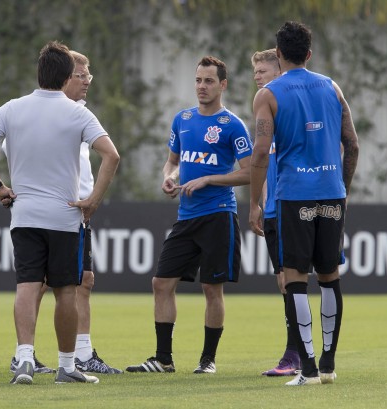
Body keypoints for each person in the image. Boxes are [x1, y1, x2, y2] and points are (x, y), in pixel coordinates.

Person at [0, 41, 120, 385]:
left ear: (38, 73)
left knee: (27, 284)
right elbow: (112, 155)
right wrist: (94, 199)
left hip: (24, 215)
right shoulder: (78, 112)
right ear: (67, 75)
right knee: (67, 290)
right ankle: (67, 366)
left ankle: (24, 358)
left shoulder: (12, 109)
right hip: (65, 217)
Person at [249, 21, 359, 386]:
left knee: (294, 278)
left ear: (278, 54)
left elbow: (261, 152)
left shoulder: (268, 94)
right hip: (332, 193)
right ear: (309, 53)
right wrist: (341, 188)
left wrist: (253, 202)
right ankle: (328, 365)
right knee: (330, 276)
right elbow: (352, 144)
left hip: (294, 196)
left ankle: (308, 369)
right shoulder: (332, 87)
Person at [126, 56, 252, 374]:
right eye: (198, 80)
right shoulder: (182, 119)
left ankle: (207, 360)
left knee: (212, 289)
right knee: (161, 282)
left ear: (223, 85)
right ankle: (163, 359)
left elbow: (250, 173)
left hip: (218, 215)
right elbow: (173, 161)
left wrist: (209, 179)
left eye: (209, 81)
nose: (201, 86)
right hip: (186, 216)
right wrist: (168, 176)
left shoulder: (232, 125)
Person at [8, 50, 122, 375]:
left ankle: (71, 353)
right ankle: (42, 355)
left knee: (80, 281)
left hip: (77, 213)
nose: (87, 81)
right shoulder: (53, 115)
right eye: (81, 75)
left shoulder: (79, 114)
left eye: (89, 75)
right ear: (63, 78)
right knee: (50, 284)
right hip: (61, 212)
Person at [251, 49, 301, 377]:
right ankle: (299, 350)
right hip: (273, 210)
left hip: (288, 206)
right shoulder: (266, 107)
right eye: (254, 71)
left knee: (290, 280)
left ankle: (295, 353)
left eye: (262, 69)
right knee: (284, 281)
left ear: (279, 68)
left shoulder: (286, 106)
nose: (257, 76)